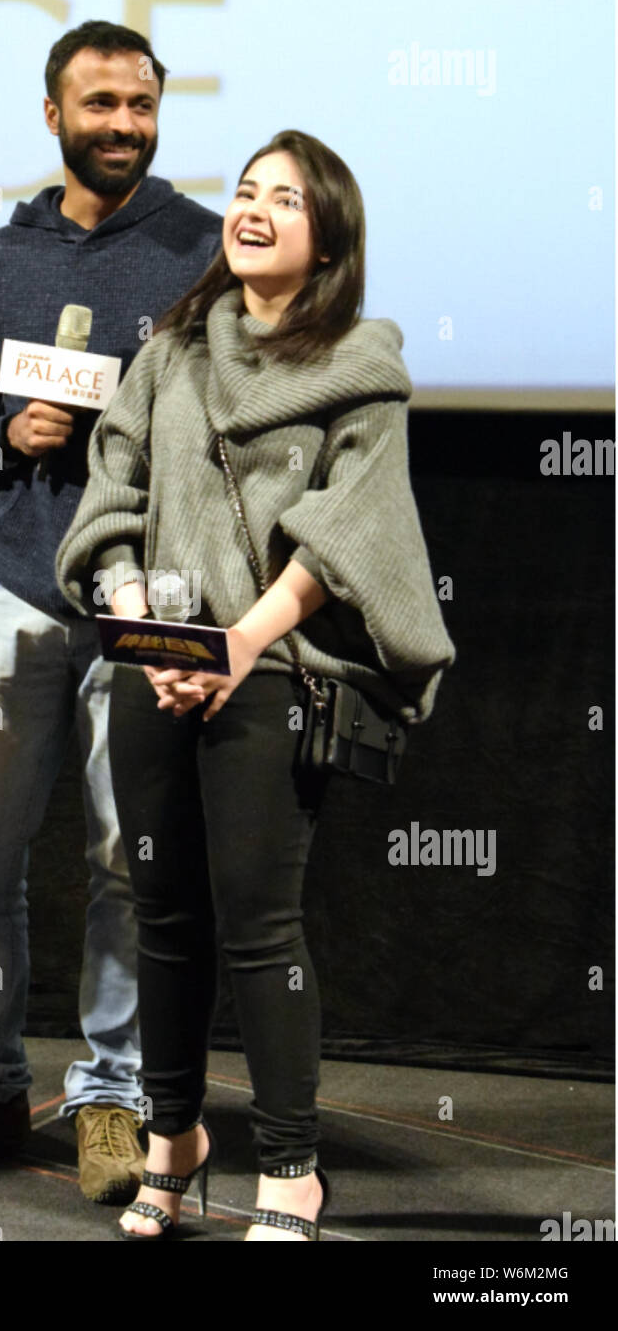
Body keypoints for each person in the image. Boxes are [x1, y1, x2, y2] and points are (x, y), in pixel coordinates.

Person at [57, 128, 455, 1238]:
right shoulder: (171, 352)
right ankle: (173, 1137)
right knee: (164, 917)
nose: (253, 207)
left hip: (273, 669)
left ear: (327, 236)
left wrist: (237, 646)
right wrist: (143, 632)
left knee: (261, 929)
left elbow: (349, 537)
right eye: (244, 190)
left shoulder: (362, 367)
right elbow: (112, 496)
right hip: (157, 666)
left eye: (284, 196)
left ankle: (289, 1168)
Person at [0, 20, 222, 1205]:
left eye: (142, 105)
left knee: (127, 858)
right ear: (53, 115)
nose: (124, 123)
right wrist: (7, 437)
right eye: (101, 103)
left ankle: (111, 1098)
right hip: (14, 586)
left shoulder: (202, 248)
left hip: (147, 602)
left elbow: (238, 431)